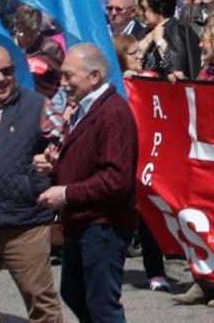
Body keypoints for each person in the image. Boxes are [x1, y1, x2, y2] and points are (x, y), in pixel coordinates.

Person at [35, 43, 138, 323]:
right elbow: (87, 160)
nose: (63, 83)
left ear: (94, 77)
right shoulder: (84, 109)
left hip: (103, 224)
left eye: (70, 76)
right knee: (73, 292)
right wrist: (57, 165)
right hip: (81, 221)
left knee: (102, 304)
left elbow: (116, 179)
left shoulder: (112, 113)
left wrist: (66, 193)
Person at [0, 45, 64, 323]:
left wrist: (52, 157)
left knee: (41, 303)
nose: (1, 79)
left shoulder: (35, 105)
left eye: (7, 71)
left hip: (24, 223)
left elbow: (65, 141)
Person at [136, 0, 201, 79]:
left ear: (160, 9)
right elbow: (132, 58)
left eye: (146, 9)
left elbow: (174, 69)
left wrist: (159, 42)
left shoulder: (178, 32)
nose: (142, 13)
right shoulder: (146, 32)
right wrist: (150, 37)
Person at [13, 5, 65, 99]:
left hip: (44, 103)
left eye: (34, 32)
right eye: (26, 32)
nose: (29, 38)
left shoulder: (52, 48)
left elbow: (63, 81)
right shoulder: (10, 47)